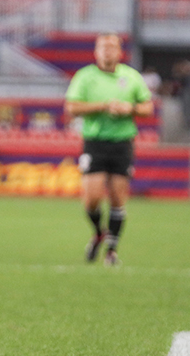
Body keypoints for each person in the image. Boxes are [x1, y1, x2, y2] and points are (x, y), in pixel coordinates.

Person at [64, 34, 153, 266]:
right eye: (103, 47)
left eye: (112, 47)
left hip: (122, 143)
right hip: (94, 142)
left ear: (120, 52)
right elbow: (72, 107)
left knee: (117, 198)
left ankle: (111, 251)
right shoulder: (85, 77)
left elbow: (147, 107)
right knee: (91, 199)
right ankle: (98, 232)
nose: (107, 51)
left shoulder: (131, 77)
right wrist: (103, 106)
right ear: (96, 52)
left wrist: (129, 108)